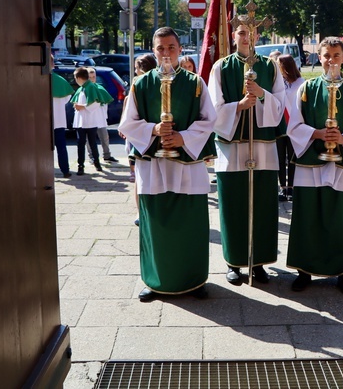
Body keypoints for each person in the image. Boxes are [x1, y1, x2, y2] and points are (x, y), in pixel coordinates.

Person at [117, 27, 217, 302]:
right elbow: (127, 123)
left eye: (171, 47)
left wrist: (182, 137)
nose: (166, 53)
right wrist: (154, 130)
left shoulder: (195, 83)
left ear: (180, 48)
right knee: (156, 224)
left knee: (191, 224)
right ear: (153, 50)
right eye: (160, 48)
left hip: (187, 164)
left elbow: (210, 119)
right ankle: (155, 279)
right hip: (153, 167)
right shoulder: (141, 84)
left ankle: (194, 280)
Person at [286, 36, 343, 295]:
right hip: (310, 163)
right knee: (308, 217)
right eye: (326, 55)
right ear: (319, 57)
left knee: (342, 219)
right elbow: (293, 125)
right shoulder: (306, 89)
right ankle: (304, 270)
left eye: (336, 56)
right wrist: (316, 134)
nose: (331, 60)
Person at [208, 21, 286, 285]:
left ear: (258, 35)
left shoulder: (270, 66)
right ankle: (234, 262)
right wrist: (239, 106)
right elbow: (212, 109)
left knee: (263, 206)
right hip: (232, 148)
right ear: (234, 35)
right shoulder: (221, 67)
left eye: (251, 33)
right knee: (233, 205)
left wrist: (261, 93)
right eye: (242, 33)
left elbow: (280, 106)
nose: (246, 37)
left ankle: (260, 261)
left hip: (263, 146)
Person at [119, 53, 157, 227]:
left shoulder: (154, 84)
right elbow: (128, 107)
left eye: (136, 68)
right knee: (139, 174)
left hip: (151, 135)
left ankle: (146, 210)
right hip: (139, 134)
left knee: (146, 175)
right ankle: (140, 210)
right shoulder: (137, 84)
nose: (135, 71)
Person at [71, 66, 112, 175]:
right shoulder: (82, 88)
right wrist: (78, 106)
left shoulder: (90, 87)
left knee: (92, 143)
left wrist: (82, 106)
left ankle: (97, 163)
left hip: (90, 121)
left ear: (79, 78)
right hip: (81, 122)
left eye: (75, 78)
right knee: (81, 144)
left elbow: (95, 103)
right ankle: (81, 166)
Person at [275, 52, 305, 201]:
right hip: (280, 125)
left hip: (293, 125)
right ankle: (282, 188)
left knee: (293, 157)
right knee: (280, 158)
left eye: (278, 64)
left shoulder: (301, 82)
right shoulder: (277, 81)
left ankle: (291, 187)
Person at [87, 67, 118, 164]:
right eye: (90, 77)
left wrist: (104, 116)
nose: (92, 79)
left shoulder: (100, 88)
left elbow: (105, 103)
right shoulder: (86, 89)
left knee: (104, 137)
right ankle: (91, 156)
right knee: (90, 139)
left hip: (100, 118)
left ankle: (107, 155)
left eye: (94, 77)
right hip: (90, 119)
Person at [52, 56, 75, 178]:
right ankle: (65, 170)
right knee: (61, 147)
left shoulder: (37, 79)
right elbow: (67, 99)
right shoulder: (60, 80)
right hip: (59, 119)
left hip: (42, 122)